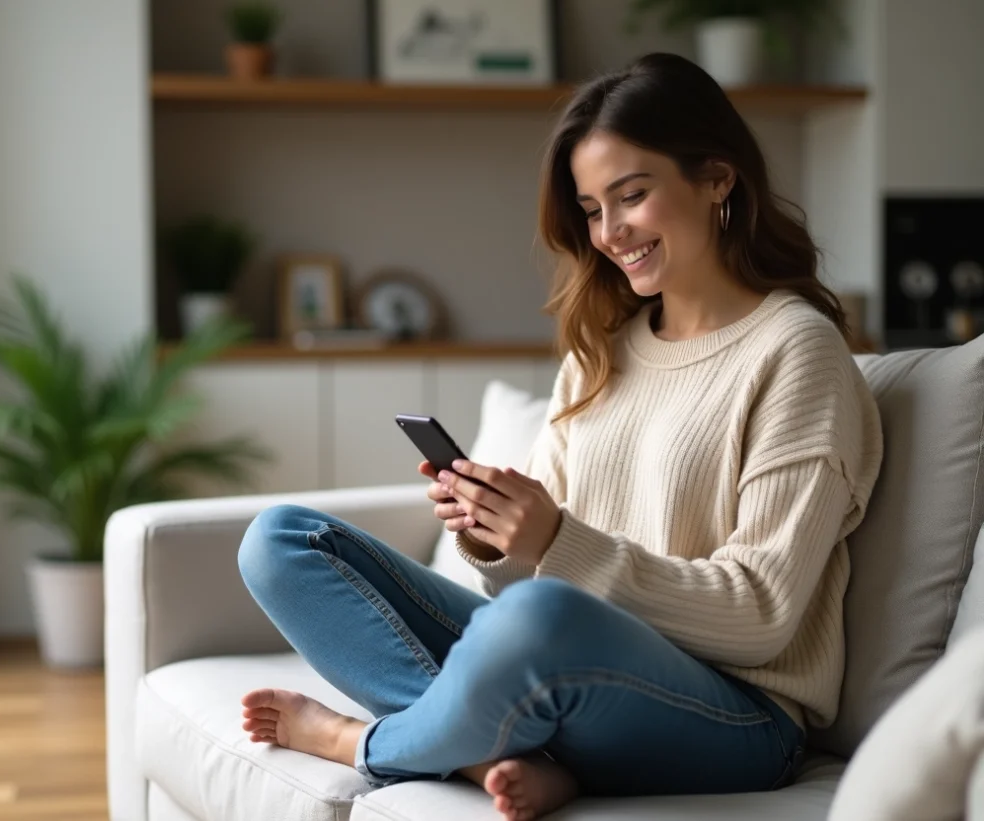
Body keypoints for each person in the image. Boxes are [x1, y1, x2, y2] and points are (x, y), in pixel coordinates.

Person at [235, 52, 884, 821]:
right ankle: (491, 751)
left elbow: (764, 612)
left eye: (631, 195)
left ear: (717, 178)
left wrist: (557, 541)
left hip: (735, 714)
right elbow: (529, 587)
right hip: (570, 666)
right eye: (590, 208)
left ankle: (368, 742)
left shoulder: (797, 350)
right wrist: (498, 536)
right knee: (281, 540)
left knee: (535, 622)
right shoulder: (601, 348)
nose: (610, 232)